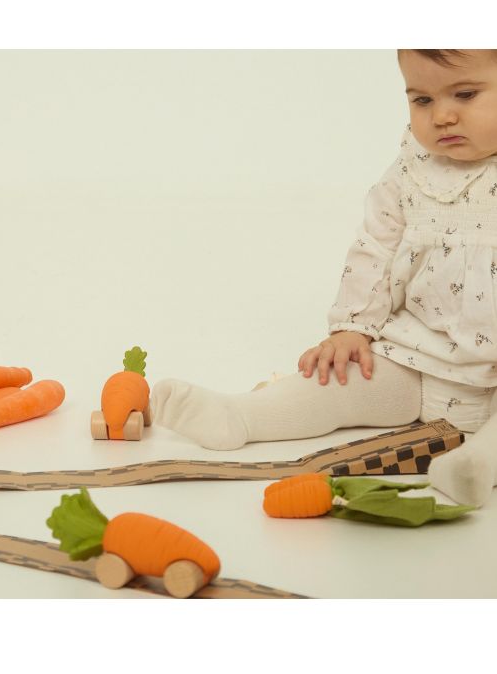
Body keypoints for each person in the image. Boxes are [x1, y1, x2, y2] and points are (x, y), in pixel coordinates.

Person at [151, 49, 497, 508]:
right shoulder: (411, 174)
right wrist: (353, 327)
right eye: (421, 100)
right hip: (418, 359)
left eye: (466, 94)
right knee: (341, 380)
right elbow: (375, 248)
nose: (443, 116)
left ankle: (475, 467)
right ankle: (242, 416)